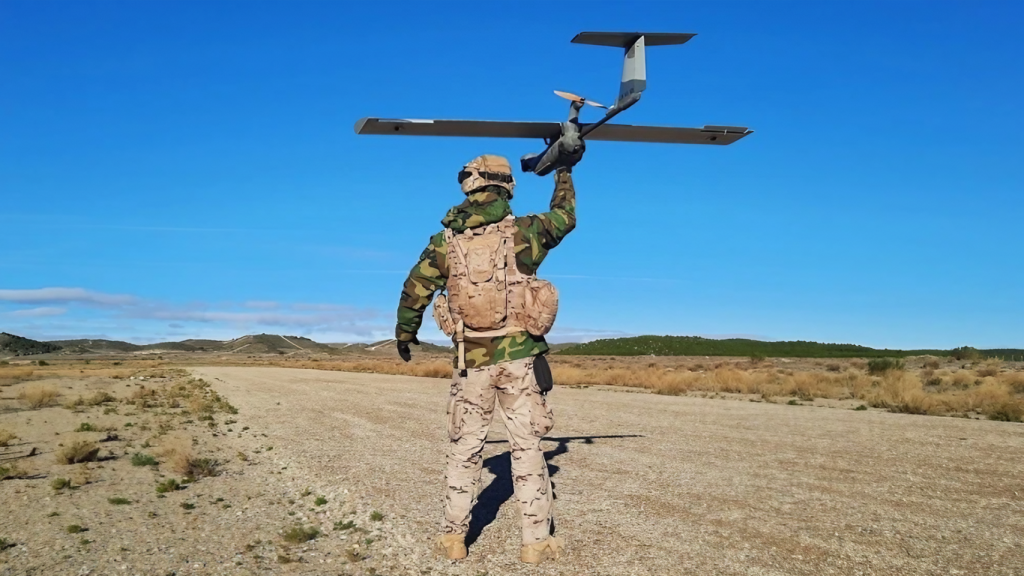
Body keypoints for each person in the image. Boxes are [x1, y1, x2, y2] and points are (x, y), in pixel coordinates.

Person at [394, 153, 578, 564]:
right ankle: (535, 544)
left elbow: (415, 288)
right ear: (507, 186)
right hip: (520, 363)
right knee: (527, 448)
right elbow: (565, 215)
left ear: (469, 186)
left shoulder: (445, 242)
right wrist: (564, 170)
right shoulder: (527, 232)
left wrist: (405, 332)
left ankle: (453, 539)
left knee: (465, 449)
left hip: (470, 362)